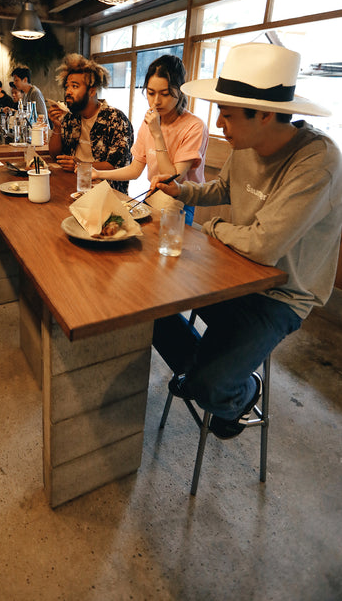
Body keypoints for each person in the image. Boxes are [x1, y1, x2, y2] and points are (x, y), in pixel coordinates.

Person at [150, 42, 342, 439]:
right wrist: (182, 191)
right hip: (232, 272)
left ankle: (238, 389)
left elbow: (263, 245)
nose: (221, 124)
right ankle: (209, 366)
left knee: (210, 387)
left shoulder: (317, 160)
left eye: (229, 115)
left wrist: (212, 228)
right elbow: (222, 189)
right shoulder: (247, 143)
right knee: (147, 312)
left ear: (267, 114)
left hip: (281, 295)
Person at [92, 54, 208, 224]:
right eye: (151, 93)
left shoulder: (194, 126)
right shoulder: (149, 123)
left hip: (181, 202)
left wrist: (157, 134)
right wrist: (99, 174)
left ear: (180, 90)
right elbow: (135, 170)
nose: (156, 101)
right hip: (153, 196)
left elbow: (172, 179)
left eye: (165, 94)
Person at [48, 53, 134, 194]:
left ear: (92, 91)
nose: (68, 92)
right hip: (72, 186)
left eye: (75, 86)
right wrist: (57, 127)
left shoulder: (116, 119)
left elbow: (116, 166)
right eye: (67, 87)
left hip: (107, 192)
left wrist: (80, 165)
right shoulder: (71, 118)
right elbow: (55, 156)